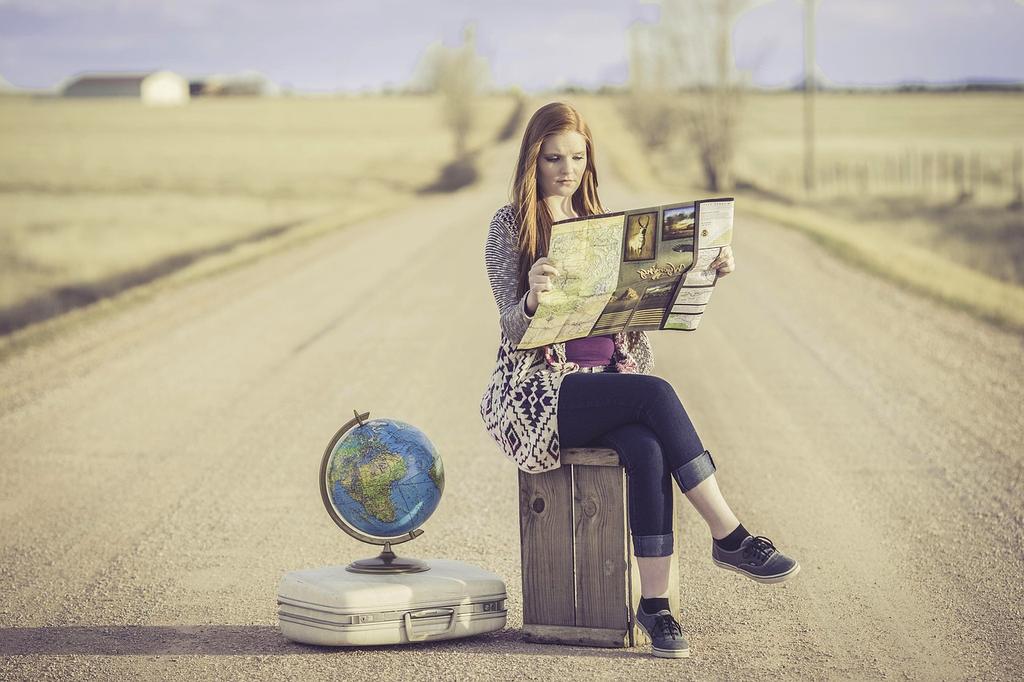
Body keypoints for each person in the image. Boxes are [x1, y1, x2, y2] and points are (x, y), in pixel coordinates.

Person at [479, 102, 799, 659]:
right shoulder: (510, 226)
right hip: (541, 393)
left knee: (648, 448)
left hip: (609, 379)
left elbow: (650, 296)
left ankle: (655, 607)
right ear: (533, 160)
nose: (566, 169)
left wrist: (704, 269)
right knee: (657, 394)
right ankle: (729, 534)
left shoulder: (605, 226)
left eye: (577, 157)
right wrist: (530, 295)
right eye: (553, 157)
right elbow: (509, 326)